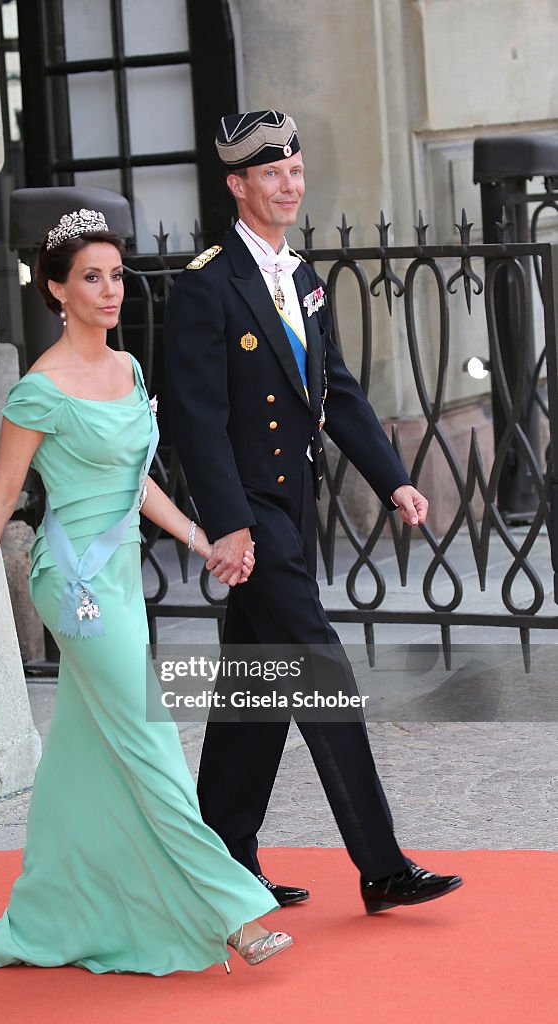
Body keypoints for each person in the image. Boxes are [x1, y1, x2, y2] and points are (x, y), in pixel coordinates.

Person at [0, 208, 293, 974]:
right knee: (148, 734)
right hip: (77, 586)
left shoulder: (127, 371)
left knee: (86, 755)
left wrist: (203, 540)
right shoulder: (39, 390)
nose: (109, 290)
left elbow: (137, 487)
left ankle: (46, 915)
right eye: (90, 278)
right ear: (56, 291)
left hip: (122, 574)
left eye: (116, 275)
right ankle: (228, 909)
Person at [163, 110, 463, 914]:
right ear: (237, 184)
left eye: (295, 171)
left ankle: (219, 861)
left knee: (258, 685)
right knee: (319, 670)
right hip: (251, 516)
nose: (290, 186)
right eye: (271, 175)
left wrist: (392, 475)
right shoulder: (204, 283)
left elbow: (336, 390)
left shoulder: (301, 277)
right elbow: (193, 417)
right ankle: (381, 865)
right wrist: (226, 522)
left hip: (293, 505)